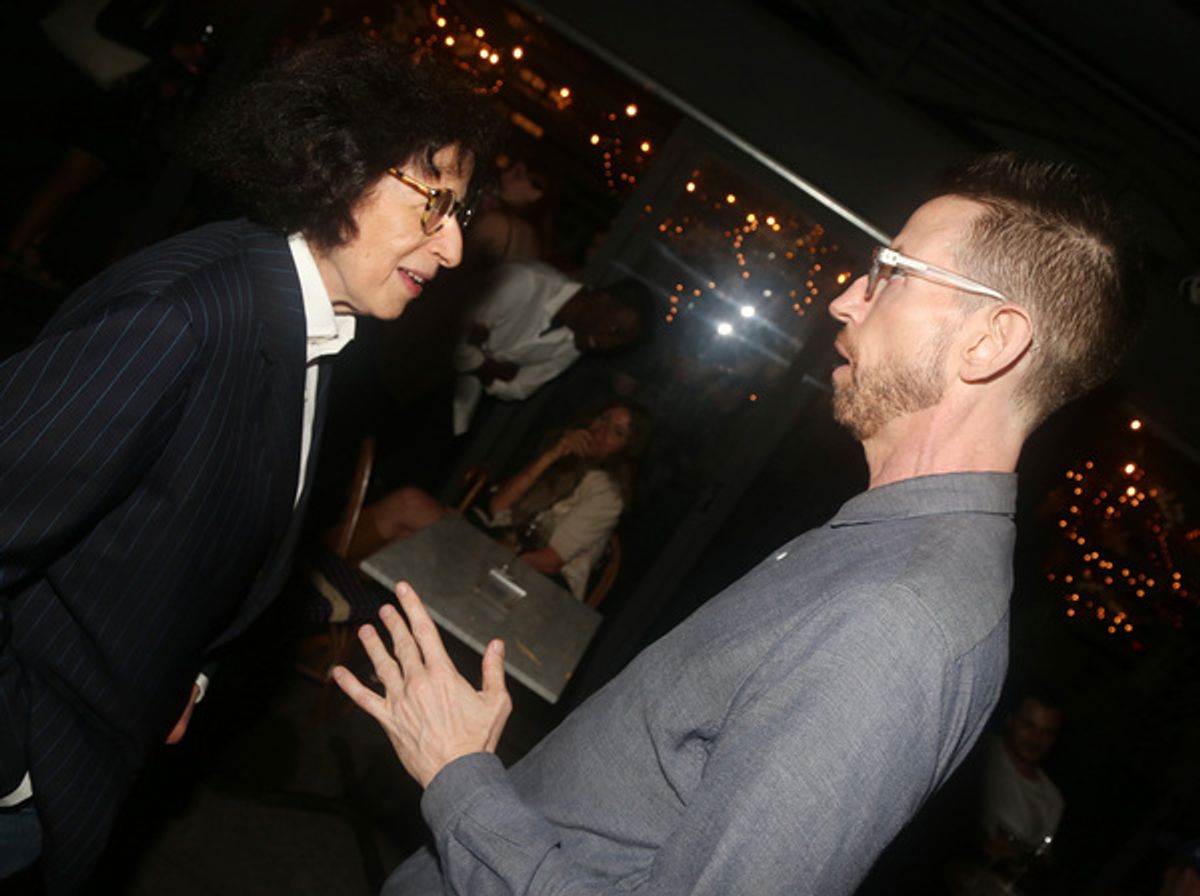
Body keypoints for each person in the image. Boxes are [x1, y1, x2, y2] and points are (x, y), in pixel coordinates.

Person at [333, 151, 1144, 894]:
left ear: (991, 340)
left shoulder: (899, 619)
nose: (845, 299)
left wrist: (463, 778)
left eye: (891, 273)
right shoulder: (888, 553)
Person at [0, 36, 494, 892]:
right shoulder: (183, 321)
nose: (451, 250)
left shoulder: (308, 323)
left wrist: (182, 674)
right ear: (338, 169)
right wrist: (16, 765)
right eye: (433, 206)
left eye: (460, 214)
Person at [347, 403, 649, 600]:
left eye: (617, 432)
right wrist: (551, 456)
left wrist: (475, 544)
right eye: (604, 418)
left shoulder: (606, 493)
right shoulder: (567, 460)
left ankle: (322, 573)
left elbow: (549, 561)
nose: (602, 430)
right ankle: (339, 597)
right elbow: (497, 508)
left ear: (626, 449)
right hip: (500, 550)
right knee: (402, 535)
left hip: (539, 589)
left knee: (409, 505)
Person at [451, 260, 654, 434]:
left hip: (460, 406)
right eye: (614, 328)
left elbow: (518, 390)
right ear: (604, 299)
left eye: (618, 343)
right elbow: (454, 334)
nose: (608, 342)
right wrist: (495, 368)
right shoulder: (526, 281)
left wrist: (477, 354)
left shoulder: (575, 345)